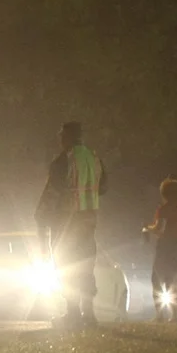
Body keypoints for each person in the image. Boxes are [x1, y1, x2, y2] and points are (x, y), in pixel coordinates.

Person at [34, 120, 107, 329]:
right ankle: (89, 314)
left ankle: (73, 314)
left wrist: (41, 214)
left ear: (66, 137)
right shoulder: (94, 158)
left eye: (61, 136)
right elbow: (103, 187)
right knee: (85, 264)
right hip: (89, 219)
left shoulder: (62, 161)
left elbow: (52, 191)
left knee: (66, 264)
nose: (59, 140)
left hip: (66, 220)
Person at [144, 177, 177, 323]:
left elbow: (159, 228)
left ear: (164, 193)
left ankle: (160, 316)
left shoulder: (164, 208)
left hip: (166, 249)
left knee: (158, 280)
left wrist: (147, 229)